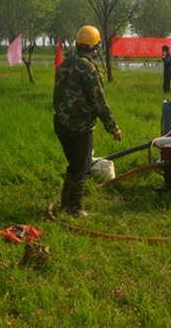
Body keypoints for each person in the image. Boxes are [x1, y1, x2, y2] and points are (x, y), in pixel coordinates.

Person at [53, 25, 122, 217]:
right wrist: (113, 128)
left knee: (73, 164)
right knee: (82, 168)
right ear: (96, 46)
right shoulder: (88, 68)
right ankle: (75, 209)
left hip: (61, 124)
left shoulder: (64, 64)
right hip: (80, 127)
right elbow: (99, 101)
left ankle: (65, 205)